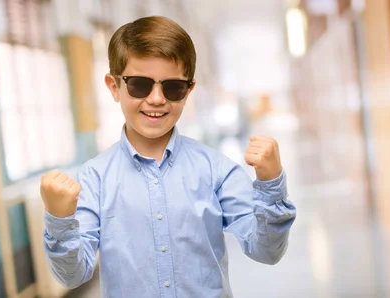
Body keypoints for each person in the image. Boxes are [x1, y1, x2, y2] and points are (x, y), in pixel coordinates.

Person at [40, 16, 296, 298]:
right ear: (114, 87)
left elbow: (267, 251)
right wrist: (59, 219)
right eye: (140, 84)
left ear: (188, 91)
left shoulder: (217, 171)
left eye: (173, 87)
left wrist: (270, 185)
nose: (157, 99)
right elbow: (74, 275)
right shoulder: (94, 178)